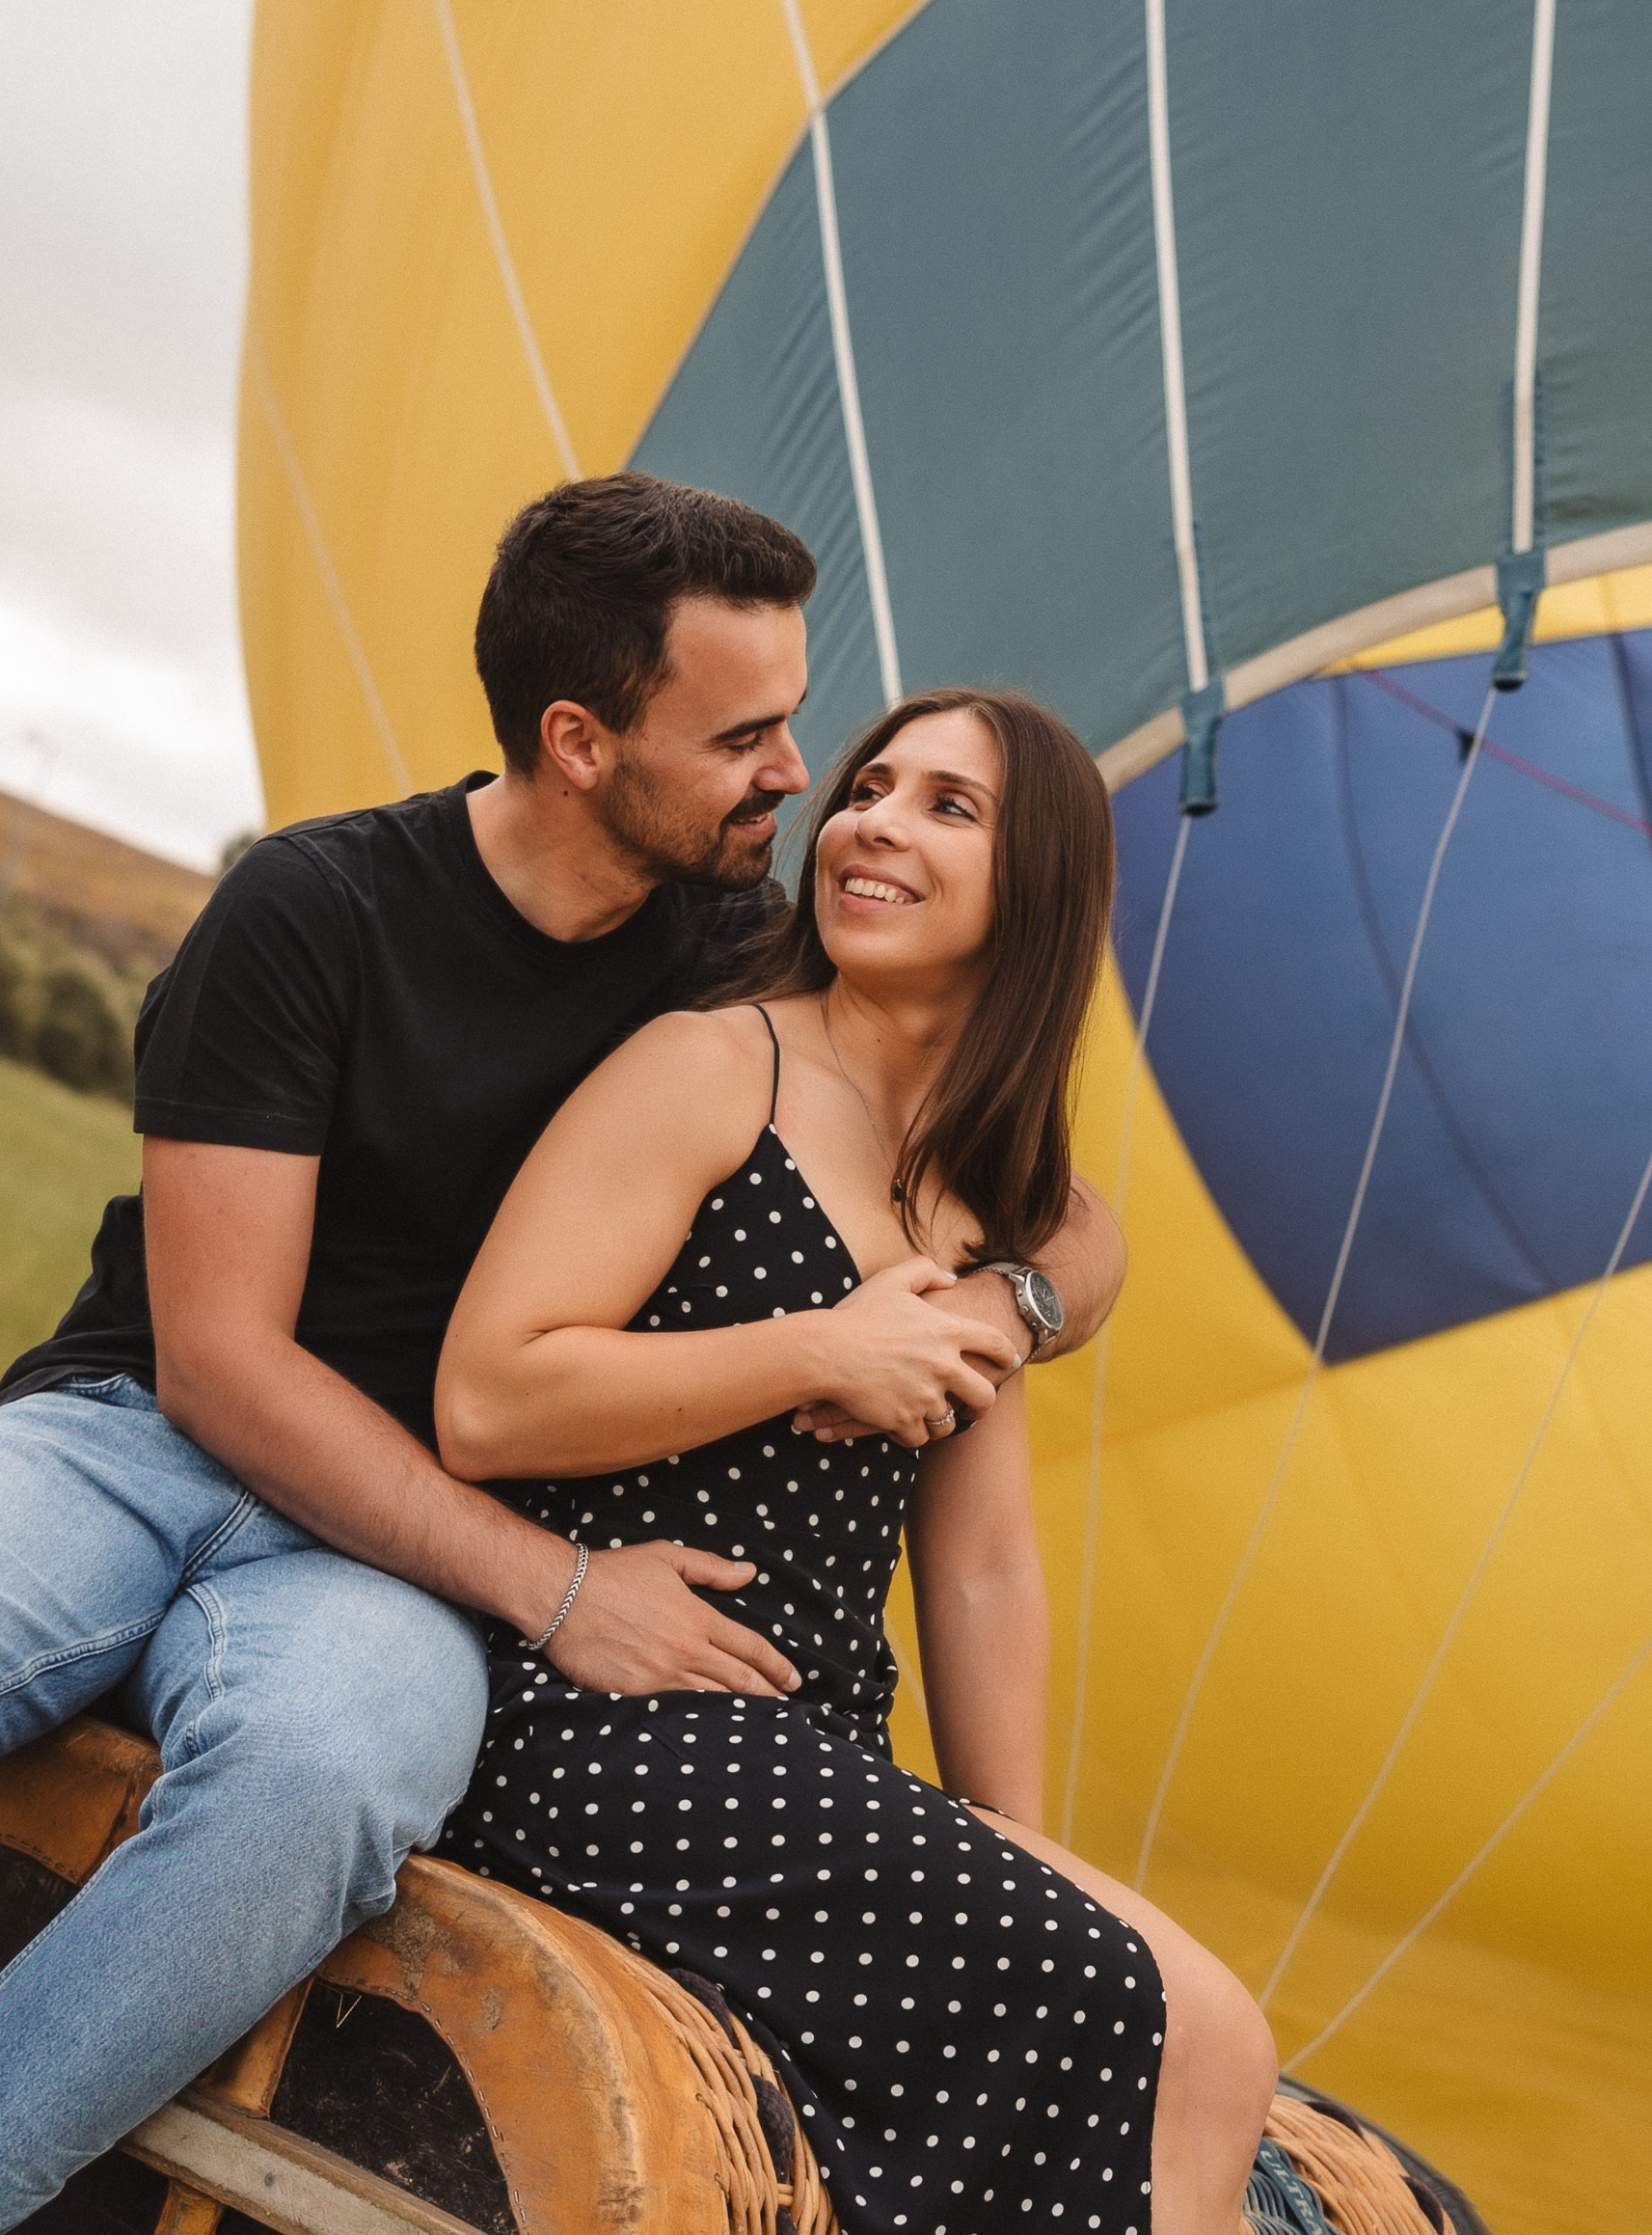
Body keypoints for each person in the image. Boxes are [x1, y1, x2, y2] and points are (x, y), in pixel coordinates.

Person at [0, 476, 1112, 2235]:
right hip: (134, 1439)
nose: (796, 773)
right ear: (582, 744)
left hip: (393, 1553)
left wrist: (1013, 1309)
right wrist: (554, 1587)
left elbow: (1055, 1204)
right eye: (747, 732)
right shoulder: (310, 910)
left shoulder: (740, 951)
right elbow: (220, 1367)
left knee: (327, 1785)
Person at [435, 685, 1279, 2235]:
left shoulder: (982, 1202)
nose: (876, 821)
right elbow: (489, 1395)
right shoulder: (714, 1068)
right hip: (609, 1710)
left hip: (812, 1740)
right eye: (875, 787)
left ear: (1037, 896)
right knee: (1165, 2023)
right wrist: (817, 1348)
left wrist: (1009, 1837)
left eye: (949, 807)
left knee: (1209, 2037)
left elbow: (978, 1561)